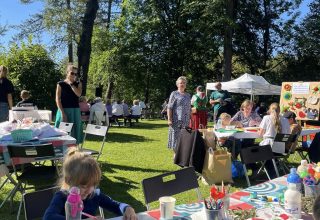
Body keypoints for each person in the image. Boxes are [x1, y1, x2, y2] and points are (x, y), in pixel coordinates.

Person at [43, 148, 137, 220]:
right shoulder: (62, 197)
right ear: (68, 180)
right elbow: (48, 217)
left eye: (93, 185)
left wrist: (127, 208)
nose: (89, 190)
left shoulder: (94, 195)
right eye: (84, 186)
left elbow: (115, 205)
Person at [258, 103, 291, 178]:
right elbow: (288, 134)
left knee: (254, 148)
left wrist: (259, 130)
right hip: (282, 148)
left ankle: (271, 173)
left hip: (269, 147)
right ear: (279, 110)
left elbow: (260, 134)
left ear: (270, 110)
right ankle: (275, 167)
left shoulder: (266, 118)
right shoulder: (285, 120)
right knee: (268, 152)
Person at [55, 64, 82, 144]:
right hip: (63, 110)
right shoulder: (60, 84)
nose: (74, 75)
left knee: (75, 133)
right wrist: (62, 113)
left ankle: (74, 153)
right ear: (67, 72)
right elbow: (57, 99)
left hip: (75, 111)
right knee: (62, 133)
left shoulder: (78, 84)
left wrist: (71, 84)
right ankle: (60, 150)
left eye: (76, 74)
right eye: (72, 73)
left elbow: (78, 94)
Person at [167, 76, 191, 150]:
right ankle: (176, 157)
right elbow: (169, 107)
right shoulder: (174, 94)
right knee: (176, 139)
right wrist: (169, 119)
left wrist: (191, 118)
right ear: (177, 84)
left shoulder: (188, 95)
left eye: (184, 83)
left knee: (184, 138)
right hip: (176, 120)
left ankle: (181, 157)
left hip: (186, 121)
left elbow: (189, 108)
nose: (182, 84)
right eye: (181, 83)